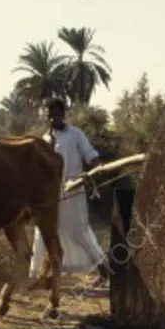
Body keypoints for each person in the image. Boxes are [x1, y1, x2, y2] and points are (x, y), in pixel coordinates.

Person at [28, 98, 110, 287]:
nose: (52, 120)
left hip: (72, 188)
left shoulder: (75, 135)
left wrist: (100, 169)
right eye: (49, 116)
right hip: (49, 193)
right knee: (43, 232)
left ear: (62, 115)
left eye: (55, 115)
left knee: (76, 231)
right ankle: (39, 276)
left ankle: (103, 269)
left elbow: (91, 155)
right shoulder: (45, 139)